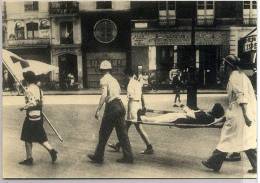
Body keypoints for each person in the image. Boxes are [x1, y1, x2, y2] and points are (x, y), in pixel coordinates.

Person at [202, 55, 257, 173]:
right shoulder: (240, 75)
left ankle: (213, 162)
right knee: (247, 140)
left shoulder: (235, 77)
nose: (222, 67)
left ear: (228, 66)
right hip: (241, 113)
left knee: (226, 138)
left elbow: (241, 96)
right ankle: (257, 165)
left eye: (223, 64)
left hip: (239, 115)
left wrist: (246, 116)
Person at [88, 60, 134, 164]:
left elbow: (104, 95)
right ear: (110, 69)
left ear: (101, 70)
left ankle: (98, 156)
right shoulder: (114, 80)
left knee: (103, 132)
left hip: (112, 107)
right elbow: (119, 92)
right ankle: (128, 156)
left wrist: (98, 109)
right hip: (120, 106)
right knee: (122, 134)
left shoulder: (103, 79)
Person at [108, 70, 154, 154]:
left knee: (136, 127)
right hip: (138, 106)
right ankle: (118, 145)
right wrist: (144, 105)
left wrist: (128, 112)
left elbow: (131, 99)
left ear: (128, 75)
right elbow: (141, 96)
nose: (124, 78)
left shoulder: (130, 84)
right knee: (126, 127)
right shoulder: (137, 83)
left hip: (133, 107)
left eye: (124, 76)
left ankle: (149, 147)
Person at [19, 71, 58, 166]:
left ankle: (29, 158)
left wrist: (23, 107)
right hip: (39, 116)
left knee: (27, 137)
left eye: (25, 78)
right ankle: (52, 151)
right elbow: (40, 102)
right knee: (40, 137)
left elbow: (33, 103)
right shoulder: (39, 89)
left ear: (27, 79)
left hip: (31, 117)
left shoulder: (28, 90)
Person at [140, 103, 225, 125]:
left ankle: (145, 119)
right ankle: (145, 118)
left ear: (213, 110)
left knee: (163, 119)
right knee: (164, 117)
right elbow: (192, 113)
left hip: (182, 119)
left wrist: (184, 107)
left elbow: (191, 114)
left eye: (212, 107)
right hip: (182, 117)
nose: (210, 107)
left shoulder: (206, 116)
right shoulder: (208, 116)